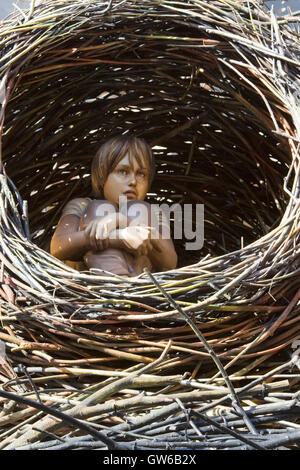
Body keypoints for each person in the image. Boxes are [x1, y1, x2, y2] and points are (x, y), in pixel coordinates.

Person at [50, 135, 177, 277]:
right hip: (93, 289)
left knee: (141, 210)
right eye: (123, 171)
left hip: (141, 287)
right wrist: (120, 238)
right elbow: (57, 248)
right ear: (103, 175)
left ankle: (126, 286)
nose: (133, 181)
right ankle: (117, 282)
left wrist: (121, 220)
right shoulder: (82, 205)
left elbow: (170, 262)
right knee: (99, 208)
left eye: (141, 174)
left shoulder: (154, 213)